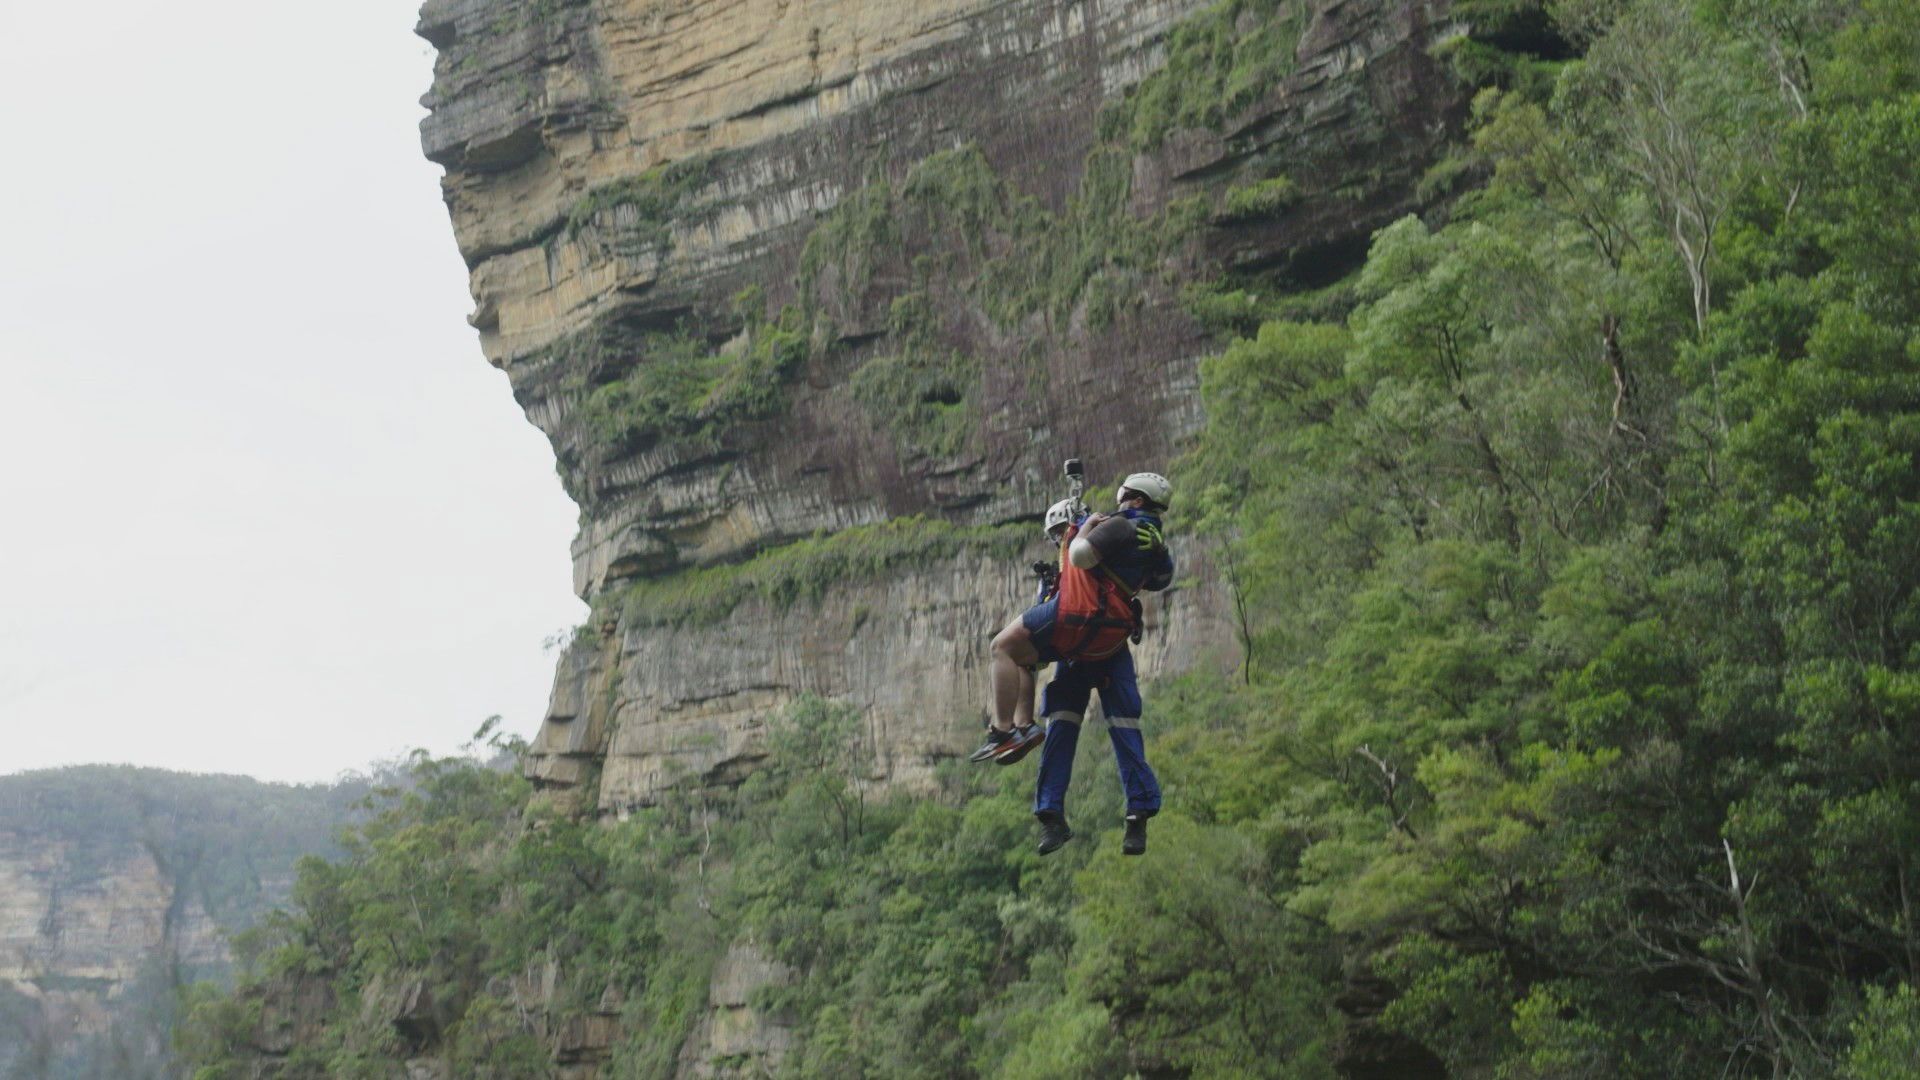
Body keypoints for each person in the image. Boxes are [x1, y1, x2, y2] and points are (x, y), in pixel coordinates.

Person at [975, 473, 1175, 856]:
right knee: (1115, 727)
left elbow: (1083, 557)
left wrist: (1082, 534)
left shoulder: (1113, 526)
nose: (1058, 540)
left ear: (1130, 497)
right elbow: (1161, 578)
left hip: (1079, 636)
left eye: (1060, 532)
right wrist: (1162, 552)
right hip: (1107, 641)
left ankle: (1016, 742)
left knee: (1055, 713)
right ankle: (1129, 817)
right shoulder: (1150, 540)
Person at [967, 499, 1076, 766]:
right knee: (1021, 660)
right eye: (1054, 534)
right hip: (1077, 628)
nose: (1057, 538)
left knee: (1001, 647)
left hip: (1068, 616)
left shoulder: (1080, 539)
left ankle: (1003, 730)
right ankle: (1025, 726)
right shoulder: (1077, 546)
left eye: (1060, 530)